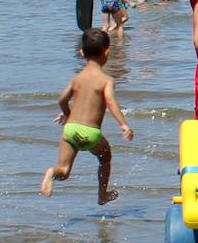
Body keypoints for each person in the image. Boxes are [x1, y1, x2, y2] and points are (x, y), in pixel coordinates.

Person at [41, 29, 133, 204]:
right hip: (90, 133)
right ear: (106, 52)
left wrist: (67, 114)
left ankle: (52, 173)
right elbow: (110, 102)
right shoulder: (106, 80)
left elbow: (62, 99)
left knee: (64, 170)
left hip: (70, 130)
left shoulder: (77, 78)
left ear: (82, 53)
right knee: (105, 158)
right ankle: (102, 195)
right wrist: (123, 124)